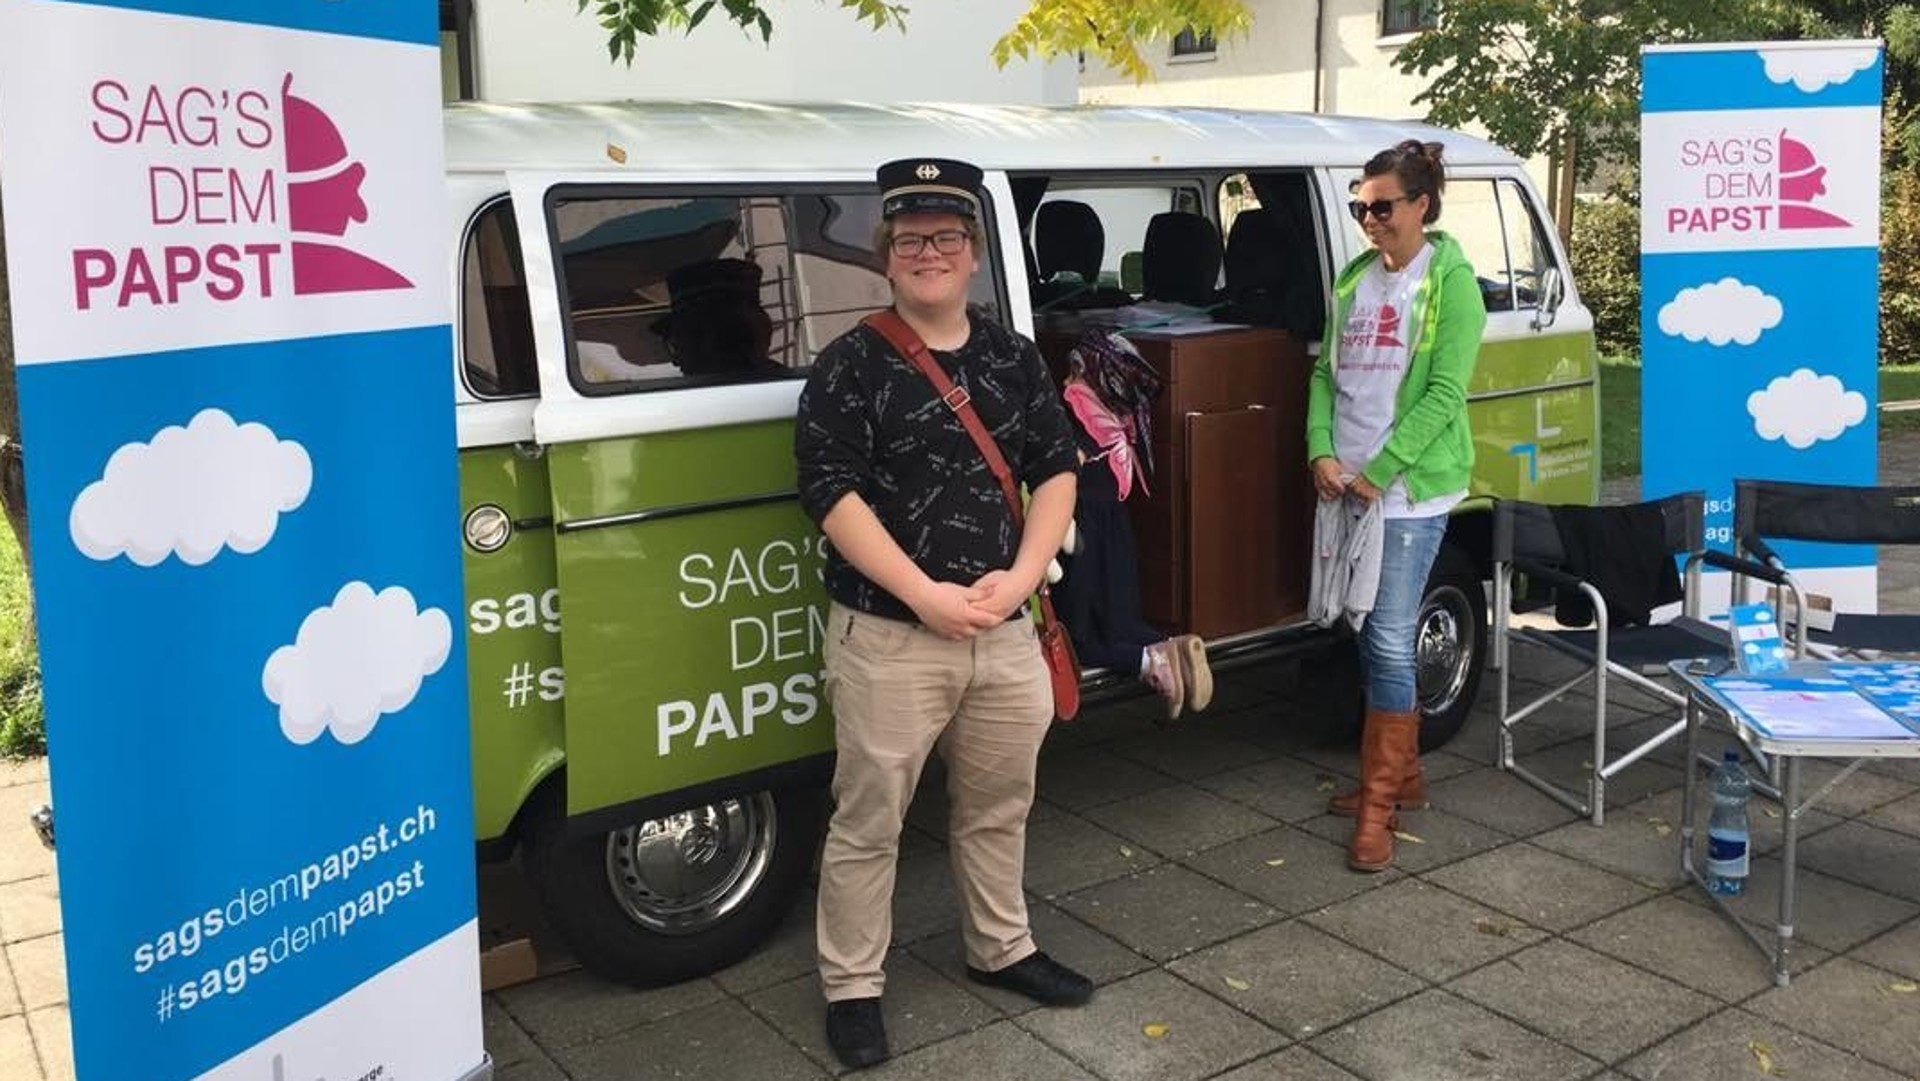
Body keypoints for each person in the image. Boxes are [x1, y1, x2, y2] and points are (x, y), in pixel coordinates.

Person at [794, 157, 1093, 1071]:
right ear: (887, 255)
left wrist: (1024, 575)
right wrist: (923, 595)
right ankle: (852, 986)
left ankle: (1001, 947)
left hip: (1007, 627)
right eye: (911, 239)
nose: (930, 253)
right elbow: (831, 493)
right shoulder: (848, 366)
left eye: (947, 238)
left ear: (974, 255)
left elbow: (1057, 469)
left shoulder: (1012, 356)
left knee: (1001, 803)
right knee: (869, 817)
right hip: (890, 636)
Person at [1305, 140, 1486, 874]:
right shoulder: (1356, 279)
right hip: (1346, 481)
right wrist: (1320, 449)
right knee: (1358, 624)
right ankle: (1402, 777)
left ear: (1422, 205)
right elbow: (1325, 373)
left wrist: (1380, 471)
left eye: (1382, 206)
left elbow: (1445, 396)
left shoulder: (1451, 283)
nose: (1369, 220)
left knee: (1385, 635)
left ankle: (1379, 805)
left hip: (1407, 490)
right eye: (1359, 207)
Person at [1052, 328, 1213, 719]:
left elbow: (1056, 471)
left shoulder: (1072, 410)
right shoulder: (1120, 417)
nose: (1066, 381)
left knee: (1079, 636)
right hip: (1114, 530)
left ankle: (1151, 662)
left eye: (1073, 372)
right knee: (1121, 621)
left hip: (1080, 531)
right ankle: (1174, 645)